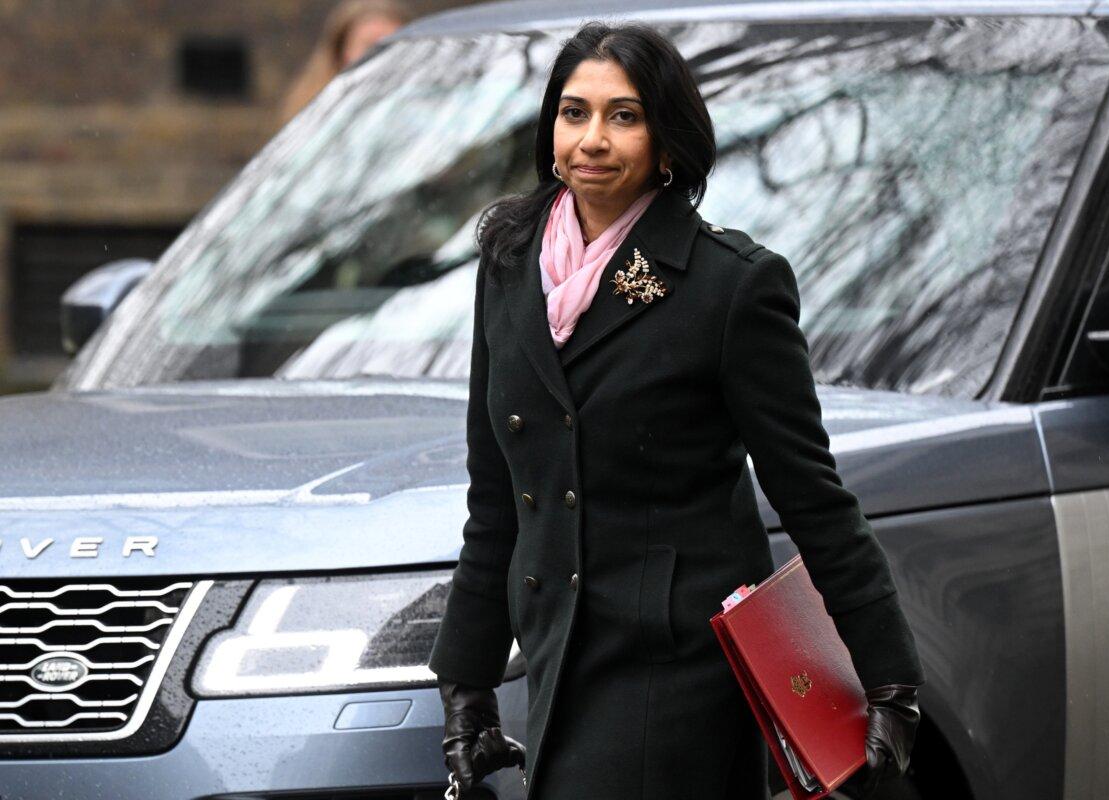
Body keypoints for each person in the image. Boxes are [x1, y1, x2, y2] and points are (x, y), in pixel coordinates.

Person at [428, 20, 924, 800]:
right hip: (555, 651)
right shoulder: (509, 264)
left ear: (668, 143)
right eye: (574, 112)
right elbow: (497, 498)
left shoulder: (731, 286)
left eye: (623, 116)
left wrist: (892, 680)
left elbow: (810, 493)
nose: (592, 138)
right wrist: (466, 687)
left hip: (674, 666)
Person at [278, 0, 410, 124]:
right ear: (341, 53)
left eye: (394, 45)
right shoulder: (311, 117)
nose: (384, 57)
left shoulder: (420, 104)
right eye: (371, 47)